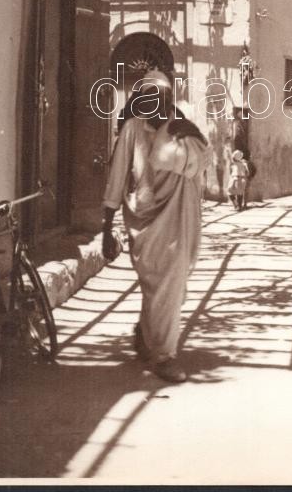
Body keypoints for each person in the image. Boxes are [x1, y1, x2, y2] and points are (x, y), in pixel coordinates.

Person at [101, 70, 209, 384]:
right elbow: (117, 177)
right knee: (160, 287)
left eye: (161, 97)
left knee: (168, 286)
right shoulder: (133, 129)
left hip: (177, 219)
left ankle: (154, 343)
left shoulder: (181, 127)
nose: (155, 103)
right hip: (144, 221)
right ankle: (161, 353)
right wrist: (107, 227)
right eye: (149, 96)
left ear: (168, 99)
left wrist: (191, 134)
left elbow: (201, 161)